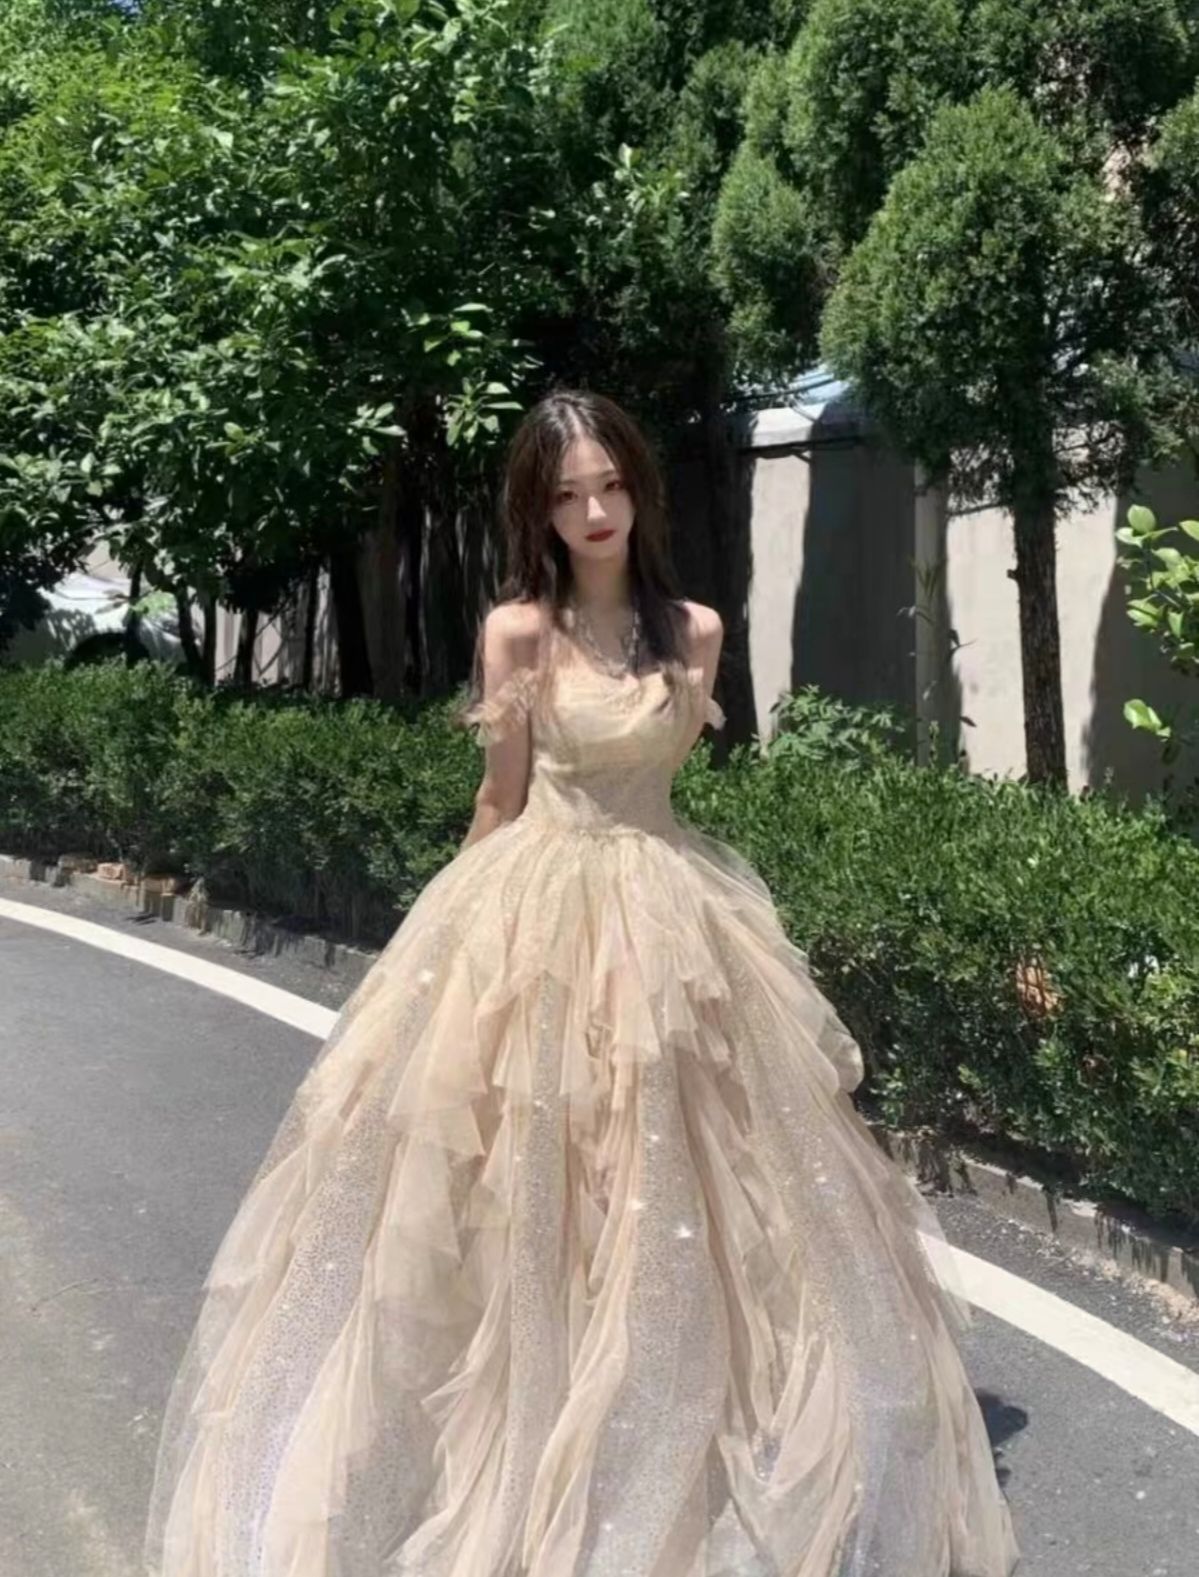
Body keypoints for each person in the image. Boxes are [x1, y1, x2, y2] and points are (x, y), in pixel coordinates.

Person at [143, 388, 1021, 1576]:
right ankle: (515, 1438)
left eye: (608, 484)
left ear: (638, 489)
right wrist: (436, 952)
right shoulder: (516, 631)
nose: (594, 510)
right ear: (538, 511)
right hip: (533, 903)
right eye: (566, 493)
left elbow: (664, 783)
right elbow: (498, 798)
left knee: (688, 1178)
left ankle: (680, 1436)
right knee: (516, 1179)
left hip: (668, 914)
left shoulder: (695, 630)